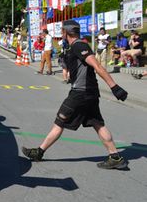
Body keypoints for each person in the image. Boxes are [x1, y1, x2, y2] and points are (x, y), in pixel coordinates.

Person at [22, 20, 129, 170]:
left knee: (60, 121)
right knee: (98, 123)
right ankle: (115, 157)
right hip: (89, 93)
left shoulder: (79, 45)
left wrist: (114, 87)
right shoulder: (75, 46)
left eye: (62, 32)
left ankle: (39, 152)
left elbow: (97, 66)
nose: (61, 35)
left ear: (66, 33)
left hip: (80, 93)